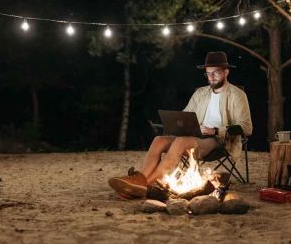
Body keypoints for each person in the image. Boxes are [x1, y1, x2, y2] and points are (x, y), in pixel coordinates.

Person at [108, 51, 253, 199]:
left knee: (180, 142)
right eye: (208, 73)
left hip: (218, 140)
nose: (211, 77)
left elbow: (246, 127)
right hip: (195, 135)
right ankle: (139, 180)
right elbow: (186, 115)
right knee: (159, 140)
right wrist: (179, 124)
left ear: (226, 72)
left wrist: (215, 130)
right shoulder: (201, 93)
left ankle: (144, 186)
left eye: (216, 73)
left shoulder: (237, 95)